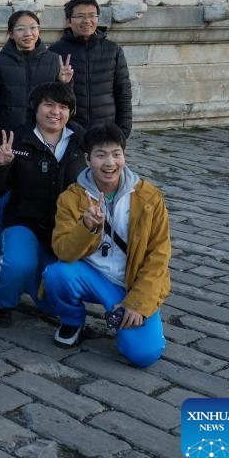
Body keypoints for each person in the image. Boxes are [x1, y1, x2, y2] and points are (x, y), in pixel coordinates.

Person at [44, 123, 170, 368]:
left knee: (144, 355)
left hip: (131, 283)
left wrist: (137, 302)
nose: (109, 163)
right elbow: (63, 251)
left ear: (124, 156)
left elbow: (159, 256)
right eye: (101, 155)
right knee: (56, 274)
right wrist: (87, 226)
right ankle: (72, 320)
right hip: (92, 277)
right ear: (88, 159)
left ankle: (130, 318)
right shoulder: (71, 197)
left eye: (116, 154)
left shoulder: (149, 197)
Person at [0, 82, 85, 327]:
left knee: (51, 304)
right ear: (35, 108)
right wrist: (0, 164)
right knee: (19, 264)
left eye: (63, 106)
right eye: (48, 104)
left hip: (65, 227)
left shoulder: (82, 140)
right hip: (24, 221)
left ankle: (35, 277)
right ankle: (4, 302)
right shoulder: (17, 139)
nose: (55, 112)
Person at [0, 10, 71, 163]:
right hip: (8, 141)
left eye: (33, 27)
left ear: (39, 30)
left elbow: (66, 104)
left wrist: (65, 83)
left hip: (44, 139)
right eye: (20, 29)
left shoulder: (54, 61)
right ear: (11, 34)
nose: (28, 33)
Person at [48, 0, 133, 137]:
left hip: (106, 129)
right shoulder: (55, 51)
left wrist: (123, 131)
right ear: (68, 21)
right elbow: (49, 93)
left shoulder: (113, 50)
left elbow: (123, 93)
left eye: (92, 15)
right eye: (80, 16)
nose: (87, 21)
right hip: (68, 130)